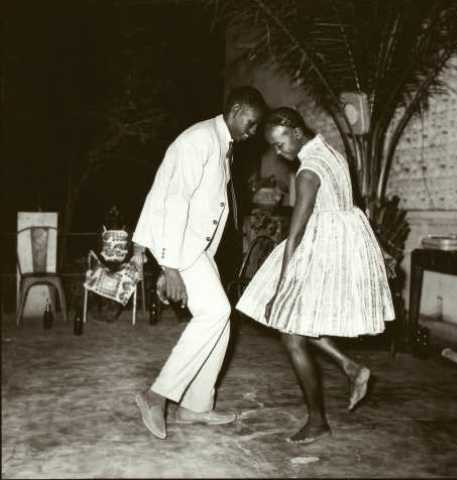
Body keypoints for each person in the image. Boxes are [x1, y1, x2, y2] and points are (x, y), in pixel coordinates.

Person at [236, 107, 395, 444]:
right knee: (297, 324)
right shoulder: (330, 151)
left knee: (290, 332)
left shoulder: (308, 171)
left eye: (281, 144)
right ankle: (351, 368)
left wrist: (280, 289)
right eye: (275, 148)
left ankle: (317, 419)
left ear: (296, 131)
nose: (280, 153)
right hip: (344, 243)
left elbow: (294, 235)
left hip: (322, 250)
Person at [131, 86, 267, 439]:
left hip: (195, 247)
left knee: (221, 320)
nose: (252, 133)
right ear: (236, 111)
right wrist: (169, 266)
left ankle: (196, 406)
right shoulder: (201, 140)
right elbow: (172, 200)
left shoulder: (219, 143)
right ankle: (155, 395)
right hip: (182, 246)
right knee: (217, 313)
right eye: (250, 124)